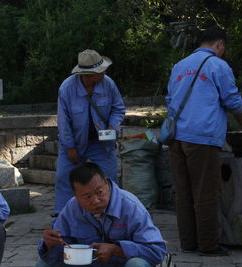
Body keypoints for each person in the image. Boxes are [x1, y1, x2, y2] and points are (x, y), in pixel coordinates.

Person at [165, 26, 242, 256]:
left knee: (183, 193)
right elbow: (233, 101)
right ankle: (208, 245)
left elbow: (170, 99)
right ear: (219, 45)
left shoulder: (179, 66)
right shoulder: (218, 66)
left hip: (176, 138)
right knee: (205, 193)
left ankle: (188, 243)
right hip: (202, 139)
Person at [36, 162, 166, 267]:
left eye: (99, 192)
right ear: (76, 197)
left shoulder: (131, 207)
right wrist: (49, 245)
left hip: (121, 264)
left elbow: (157, 251)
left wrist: (117, 250)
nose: (95, 201)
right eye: (87, 196)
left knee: (136, 264)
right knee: (43, 264)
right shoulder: (71, 208)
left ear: (106, 184)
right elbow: (61, 254)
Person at [54, 49, 125, 215]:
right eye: (101, 71)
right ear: (88, 75)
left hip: (102, 144)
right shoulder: (67, 88)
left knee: (109, 180)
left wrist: (113, 126)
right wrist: (70, 147)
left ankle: (113, 216)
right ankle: (62, 219)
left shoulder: (109, 84)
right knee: (64, 179)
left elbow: (118, 108)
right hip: (74, 144)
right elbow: (63, 122)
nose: (105, 73)